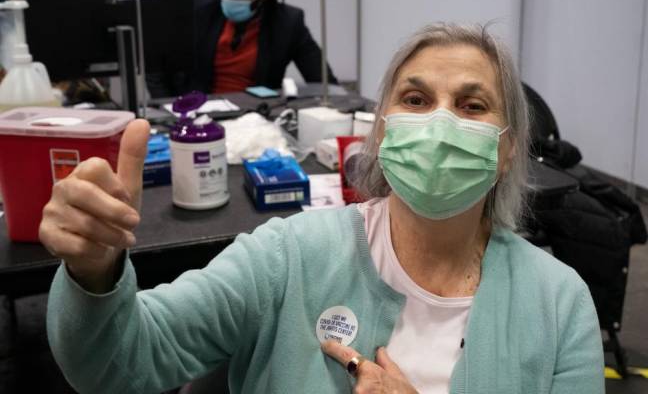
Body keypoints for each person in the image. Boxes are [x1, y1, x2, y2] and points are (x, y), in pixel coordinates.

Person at [42, 23, 604, 394]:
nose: (438, 121)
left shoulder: (558, 304)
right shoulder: (290, 257)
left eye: (471, 104)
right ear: (381, 131)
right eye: (414, 99)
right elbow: (118, 362)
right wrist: (95, 273)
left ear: (508, 149)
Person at [147, 0, 337, 98]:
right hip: (198, 116)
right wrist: (172, 109)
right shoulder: (199, 8)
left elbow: (326, 85)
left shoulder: (288, 23)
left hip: (255, 122)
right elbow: (155, 67)